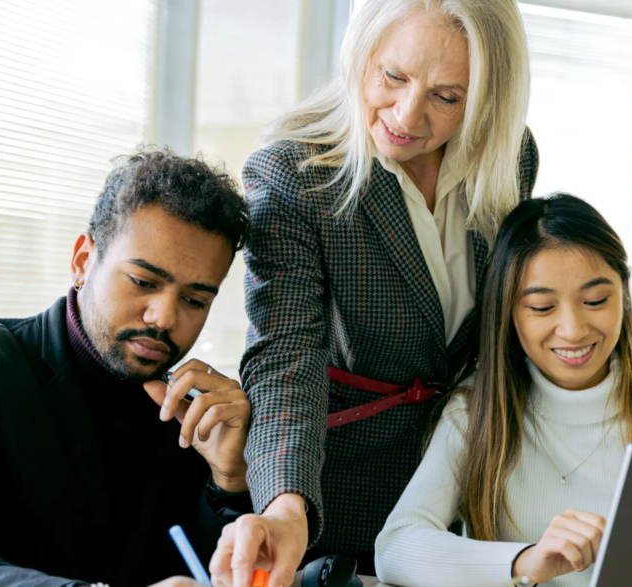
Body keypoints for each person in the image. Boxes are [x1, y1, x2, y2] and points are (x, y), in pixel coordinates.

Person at [209, 1, 537, 585]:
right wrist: (285, 505)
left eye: (447, 97)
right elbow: (286, 356)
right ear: (361, 53)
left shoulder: (509, 156)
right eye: (393, 76)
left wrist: (615, 369)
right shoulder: (296, 174)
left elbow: (519, 303)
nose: (408, 114)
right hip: (341, 499)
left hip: (472, 501)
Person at [0, 149, 252, 587]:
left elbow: (209, 571)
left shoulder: (199, 419)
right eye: (143, 282)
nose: (163, 317)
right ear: (83, 261)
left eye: (194, 300)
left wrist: (229, 483)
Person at [374, 194, 632, 587]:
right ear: (507, 312)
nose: (573, 330)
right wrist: (524, 561)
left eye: (595, 300)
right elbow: (396, 547)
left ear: (623, 296)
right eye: (542, 307)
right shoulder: (474, 414)